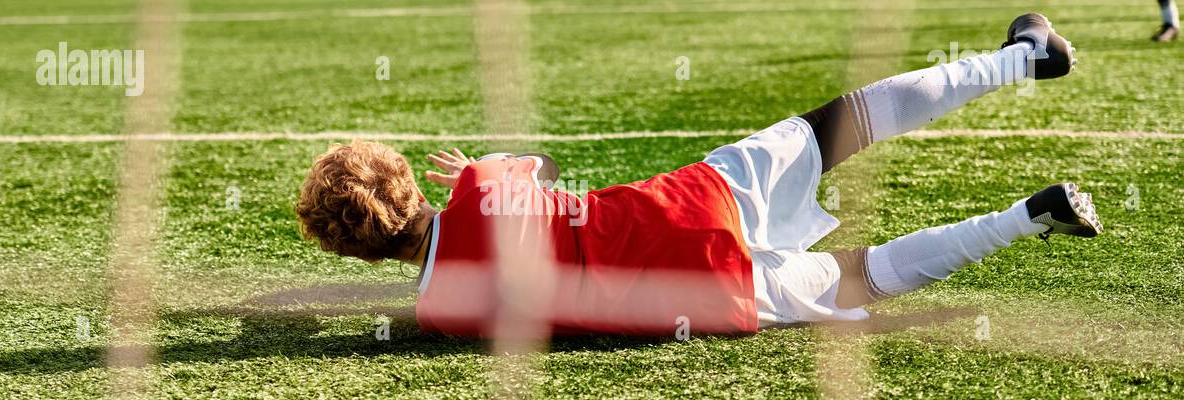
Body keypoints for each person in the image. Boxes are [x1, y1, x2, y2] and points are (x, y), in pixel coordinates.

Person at [295, 13, 1102, 338]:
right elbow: (544, 169)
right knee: (844, 123)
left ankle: (1028, 216)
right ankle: (1023, 56)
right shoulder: (475, 188)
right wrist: (482, 170)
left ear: (352, 254)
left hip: (697, 298)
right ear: (407, 180)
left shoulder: (438, 312)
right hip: (690, 200)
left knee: (862, 276)